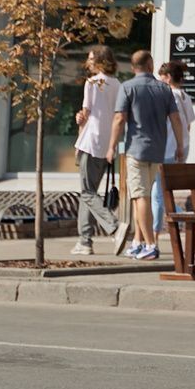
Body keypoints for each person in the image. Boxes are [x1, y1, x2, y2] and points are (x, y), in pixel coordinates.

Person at [108, 48, 184, 263]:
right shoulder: (163, 89)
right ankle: (137, 242)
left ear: (133, 68)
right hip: (157, 151)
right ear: (151, 65)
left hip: (136, 151)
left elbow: (119, 119)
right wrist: (179, 146)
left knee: (141, 197)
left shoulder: (127, 87)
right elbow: (176, 119)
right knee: (139, 196)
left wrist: (111, 147)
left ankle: (150, 245)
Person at [70, 45, 123, 259]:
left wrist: (78, 139)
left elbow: (86, 113)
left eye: (91, 58)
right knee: (88, 192)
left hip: (90, 142)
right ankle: (84, 241)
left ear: (100, 61)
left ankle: (115, 227)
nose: (88, 62)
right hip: (106, 144)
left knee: (87, 193)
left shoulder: (92, 83)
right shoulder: (118, 84)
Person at [152, 59, 195, 233]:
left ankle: (182, 219)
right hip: (182, 147)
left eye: (161, 77)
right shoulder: (186, 97)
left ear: (168, 78)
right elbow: (188, 125)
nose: (158, 80)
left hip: (168, 149)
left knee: (160, 194)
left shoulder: (168, 96)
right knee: (158, 193)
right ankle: (154, 234)